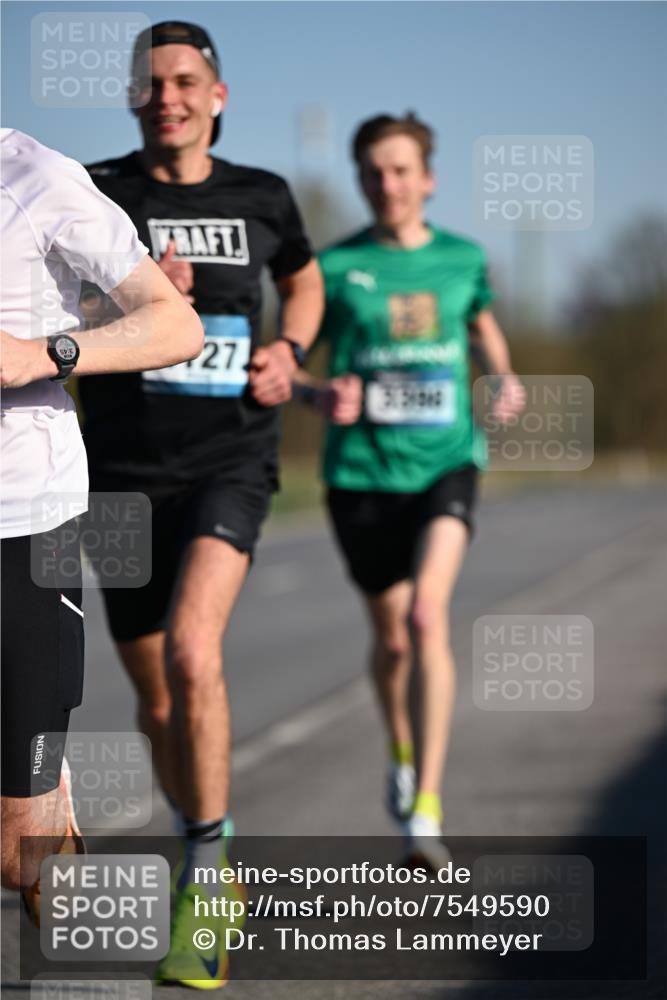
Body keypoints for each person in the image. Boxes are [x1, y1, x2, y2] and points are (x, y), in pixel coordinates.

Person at [77, 21, 323, 987]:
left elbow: (301, 283)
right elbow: (50, 313)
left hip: (231, 458)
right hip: (119, 474)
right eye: (149, 83)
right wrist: (131, 307)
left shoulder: (263, 195)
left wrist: (289, 352)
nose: (166, 96)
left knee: (193, 650)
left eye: (184, 81)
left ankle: (208, 880)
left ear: (217, 95)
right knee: (154, 699)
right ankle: (201, 832)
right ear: (133, 99)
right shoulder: (98, 194)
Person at [296, 112, 525, 869]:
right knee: (391, 637)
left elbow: (483, 327)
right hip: (359, 475)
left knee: (429, 616)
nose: (386, 185)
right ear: (361, 180)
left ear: (426, 178)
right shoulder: (331, 269)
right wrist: (318, 394)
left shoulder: (463, 259)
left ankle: (424, 809)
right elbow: (284, 366)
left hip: (445, 464)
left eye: (400, 171)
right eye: (372, 173)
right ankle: (399, 750)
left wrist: (504, 378)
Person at [0, 128, 202, 909]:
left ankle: (48, 802)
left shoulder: (35, 174)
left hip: (24, 513)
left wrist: (45, 353)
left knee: (21, 859)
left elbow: (175, 322)